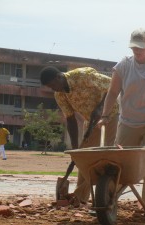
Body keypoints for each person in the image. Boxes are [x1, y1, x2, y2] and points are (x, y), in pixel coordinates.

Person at [98, 28, 145, 217]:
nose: (137, 51)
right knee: (119, 161)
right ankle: (107, 202)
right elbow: (113, 92)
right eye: (134, 47)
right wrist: (105, 115)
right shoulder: (123, 65)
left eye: (141, 47)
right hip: (128, 121)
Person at [40, 66, 119, 206]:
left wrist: (101, 107)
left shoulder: (83, 76)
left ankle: (86, 196)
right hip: (91, 121)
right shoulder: (60, 95)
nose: (53, 89)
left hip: (110, 115)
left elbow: (111, 86)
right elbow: (70, 120)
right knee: (84, 158)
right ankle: (81, 198)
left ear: (59, 77)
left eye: (53, 85)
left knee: (103, 155)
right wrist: (76, 150)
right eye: (50, 87)